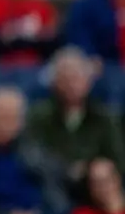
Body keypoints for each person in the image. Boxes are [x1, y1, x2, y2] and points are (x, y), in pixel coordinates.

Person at [26, 47, 125, 198]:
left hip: (94, 192)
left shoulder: (105, 118)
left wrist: (88, 168)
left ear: (88, 82)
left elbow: (118, 160)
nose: (71, 85)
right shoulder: (38, 116)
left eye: (76, 78)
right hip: (52, 190)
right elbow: (33, 156)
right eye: (65, 79)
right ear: (55, 84)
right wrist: (66, 169)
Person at [0, 87, 68, 214]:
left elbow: (55, 198)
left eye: (12, 118)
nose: (4, 125)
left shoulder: (36, 153)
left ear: (21, 122)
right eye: (0, 117)